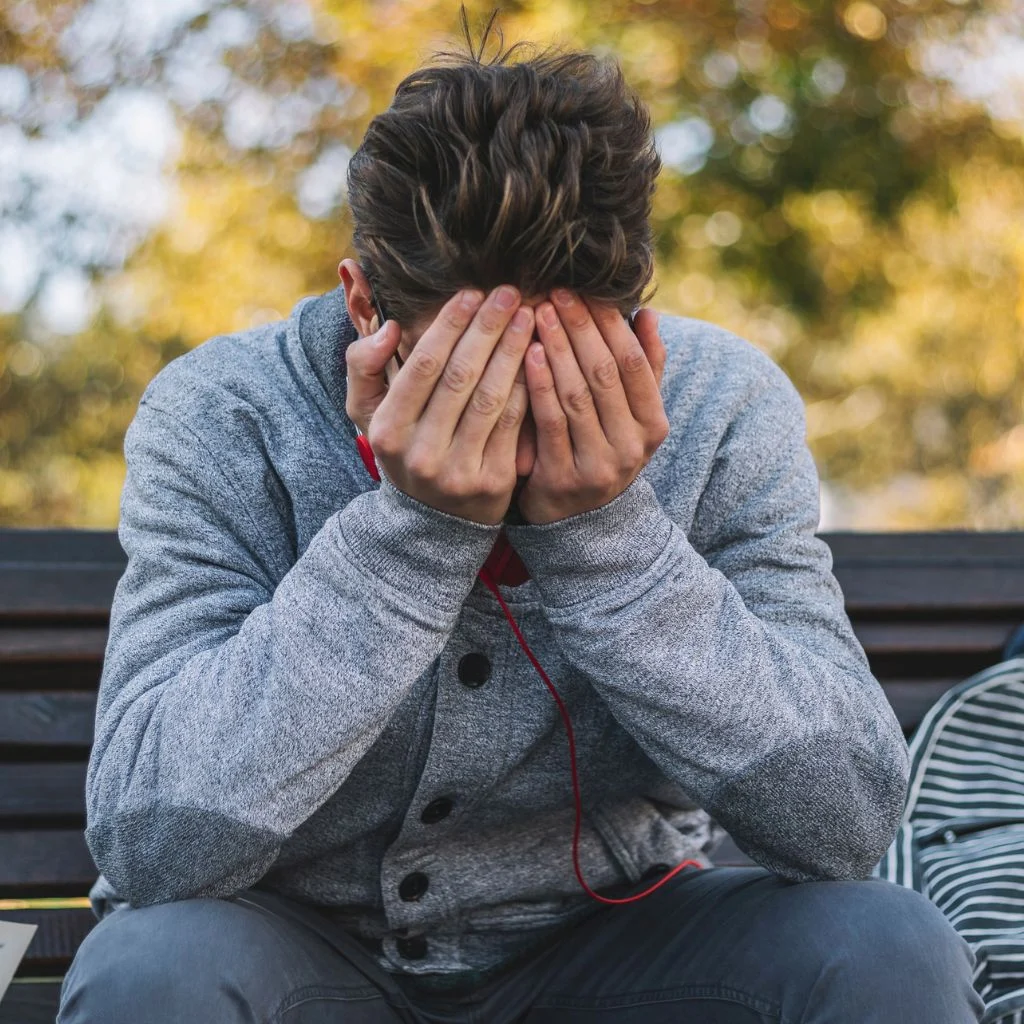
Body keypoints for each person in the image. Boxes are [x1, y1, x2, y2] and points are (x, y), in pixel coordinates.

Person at [58, 13, 983, 1024]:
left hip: (622, 947)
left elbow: (845, 822)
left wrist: (608, 542)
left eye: (561, 371)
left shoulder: (722, 408)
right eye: (460, 373)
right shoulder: (222, 413)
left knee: (887, 946)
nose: (513, 417)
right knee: (155, 968)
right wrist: (410, 533)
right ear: (363, 306)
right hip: (295, 946)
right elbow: (153, 844)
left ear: (637, 321)